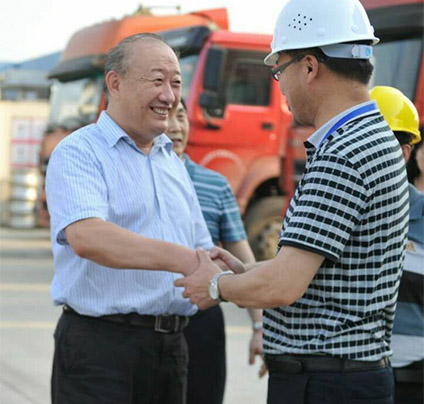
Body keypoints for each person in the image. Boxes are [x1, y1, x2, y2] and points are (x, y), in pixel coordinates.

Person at [176, 0, 410, 403]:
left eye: (279, 70)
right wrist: (245, 273)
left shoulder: (343, 153)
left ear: (309, 67)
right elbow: (321, 272)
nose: (280, 86)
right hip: (348, 377)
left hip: (327, 383)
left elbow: (285, 284)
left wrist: (215, 286)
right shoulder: (371, 136)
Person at [46, 33, 216, 404]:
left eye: (176, 83)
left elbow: (201, 248)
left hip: (170, 348)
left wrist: (234, 272)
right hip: (101, 350)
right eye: (157, 81)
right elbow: (89, 237)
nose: (169, 96)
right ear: (115, 83)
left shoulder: (171, 161)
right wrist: (188, 261)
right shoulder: (79, 152)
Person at [166, 100, 265, 404]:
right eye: (166, 117)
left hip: (202, 319)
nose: (175, 127)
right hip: (150, 323)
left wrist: (259, 327)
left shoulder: (214, 184)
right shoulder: (134, 180)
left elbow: (243, 261)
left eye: (181, 117)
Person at [370, 86, 424, 404]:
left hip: (414, 381)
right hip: (345, 377)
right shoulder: (337, 211)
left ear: (404, 153)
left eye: (374, 142)